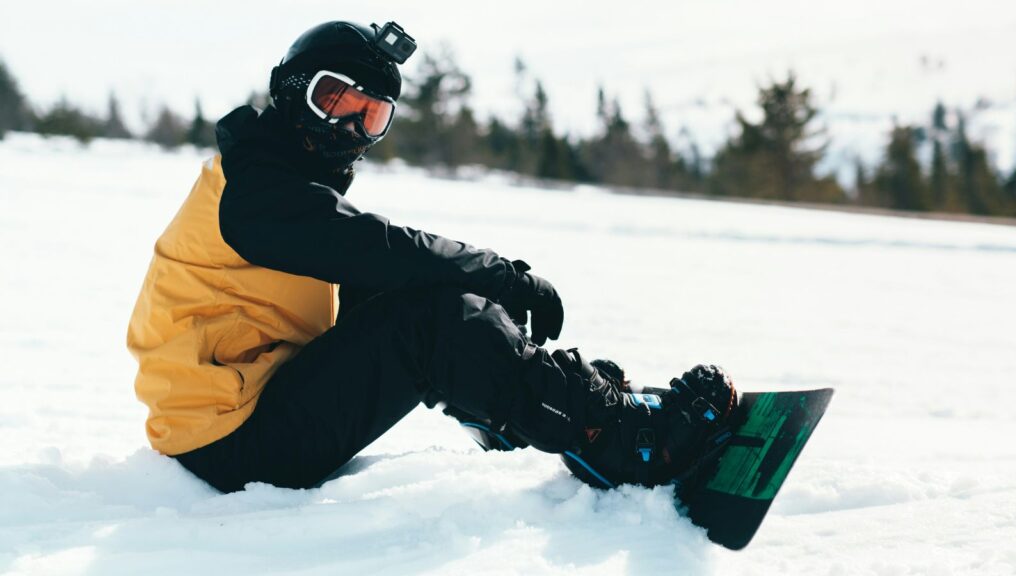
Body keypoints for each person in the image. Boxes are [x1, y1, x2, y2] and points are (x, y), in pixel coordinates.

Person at [126, 20, 737, 494]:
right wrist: (502, 278)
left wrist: (493, 346)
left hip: (241, 417)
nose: (352, 129)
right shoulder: (256, 193)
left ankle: (536, 403)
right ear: (291, 93)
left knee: (404, 296)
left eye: (373, 117)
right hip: (232, 444)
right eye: (336, 101)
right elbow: (381, 248)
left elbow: (379, 273)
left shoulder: (269, 185)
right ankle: (622, 443)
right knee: (426, 316)